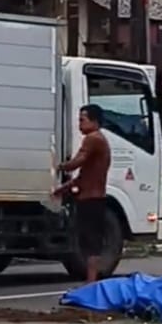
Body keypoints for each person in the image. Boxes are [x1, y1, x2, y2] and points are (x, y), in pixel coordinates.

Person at [53, 104, 113, 284]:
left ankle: (91, 282)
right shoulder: (99, 140)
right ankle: (90, 281)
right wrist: (62, 189)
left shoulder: (93, 139)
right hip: (92, 197)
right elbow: (82, 177)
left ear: (94, 121)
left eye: (82, 120)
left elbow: (77, 162)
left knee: (91, 243)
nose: (79, 124)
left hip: (91, 199)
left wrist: (58, 165)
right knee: (89, 242)